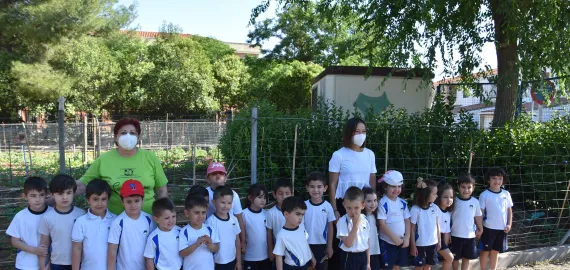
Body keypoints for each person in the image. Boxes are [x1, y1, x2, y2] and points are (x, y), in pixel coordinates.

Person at [77, 117, 168, 215]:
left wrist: (163, 215)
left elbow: (161, 190)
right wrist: (62, 190)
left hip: (148, 219)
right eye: (123, 133)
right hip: (114, 220)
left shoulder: (150, 157)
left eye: (132, 133)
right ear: (116, 137)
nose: (128, 136)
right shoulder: (104, 160)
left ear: (138, 137)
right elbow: (82, 185)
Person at [328, 117, 376, 270]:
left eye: (364, 131)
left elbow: (372, 181)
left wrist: (371, 204)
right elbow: (333, 183)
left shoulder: (369, 154)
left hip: (362, 205)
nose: (361, 135)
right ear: (349, 133)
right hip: (346, 206)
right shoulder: (339, 155)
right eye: (357, 131)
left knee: (363, 240)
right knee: (343, 244)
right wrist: (335, 209)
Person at [39, 174, 86, 270]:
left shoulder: (81, 215)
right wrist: (43, 265)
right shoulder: (47, 217)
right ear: (52, 195)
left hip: (79, 262)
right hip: (57, 263)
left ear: (73, 193)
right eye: (60, 194)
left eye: (68, 193)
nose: (65, 197)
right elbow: (44, 244)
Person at [107, 179, 156, 270]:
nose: (133, 205)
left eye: (137, 201)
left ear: (143, 199)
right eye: (129, 201)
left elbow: (153, 247)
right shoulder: (118, 222)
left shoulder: (149, 219)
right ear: (122, 201)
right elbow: (112, 251)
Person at [7, 176, 51, 270]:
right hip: (25, 265)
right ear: (25, 196)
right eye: (33, 196)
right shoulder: (20, 216)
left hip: (48, 264)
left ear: (47, 194)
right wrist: (35, 250)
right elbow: (14, 241)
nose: (38, 199)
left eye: (41, 195)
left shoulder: (53, 214)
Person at [71, 179, 116, 270]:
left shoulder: (115, 220)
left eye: (103, 199)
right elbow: (77, 249)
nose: (99, 203)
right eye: (95, 199)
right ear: (88, 199)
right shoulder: (81, 222)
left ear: (108, 199)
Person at [205, 162, 246, 249]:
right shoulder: (204, 194)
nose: (218, 175)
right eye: (214, 173)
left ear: (226, 178)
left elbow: (239, 218)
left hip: (229, 233)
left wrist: (243, 241)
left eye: (221, 173)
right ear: (208, 179)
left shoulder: (233, 195)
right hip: (210, 234)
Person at [478, 168, 513, 270]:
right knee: (485, 251)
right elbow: (480, 213)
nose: (497, 181)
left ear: (503, 180)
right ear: (488, 180)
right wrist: (480, 228)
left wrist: (509, 224)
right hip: (488, 228)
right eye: (494, 178)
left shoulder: (506, 194)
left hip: (501, 229)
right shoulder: (484, 195)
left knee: (495, 251)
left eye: (500, 178)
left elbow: (509, 210)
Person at [377, 170, 410, 270]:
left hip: (401, 241)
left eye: (399, 186)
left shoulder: (403, 203)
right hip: (387, 243)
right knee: (386, 267)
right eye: (393, 186)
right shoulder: (382, 203)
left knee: (397, 266)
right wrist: (394, 239)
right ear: (385, 186)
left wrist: (407, 237)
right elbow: (382, 224)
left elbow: (407, 221)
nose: (397, 189)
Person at [273, 196, 316, 270]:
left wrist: (312, 257)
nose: (301, 218)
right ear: (286, 214)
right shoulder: (282, 235)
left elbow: (305, 244)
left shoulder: (301, 227)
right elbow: (278, 256)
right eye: (298, 214)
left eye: (302, 214)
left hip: (305, 265)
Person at [303, 172, 335, 270]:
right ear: (307, 188)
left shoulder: (328, 206)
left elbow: (330, 227)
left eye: (319, 187)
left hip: (321, 245)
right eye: (312, 187)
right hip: (305, 244)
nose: (315, 190)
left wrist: (329, 246)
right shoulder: (303, 206)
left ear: (325, 188)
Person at [451, 173, 483, 270]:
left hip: (470, 235)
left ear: (473, 188)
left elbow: (478, 216)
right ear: (458, 187)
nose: (466, 190)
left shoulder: (475, 202)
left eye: (469, 187)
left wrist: (480, 228)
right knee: (455, 257)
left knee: (466, 257)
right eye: (463, 187)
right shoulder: (454, 201)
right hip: (455, 235)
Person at [179, 195, 220, 270]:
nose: (201, 216)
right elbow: (182, 253)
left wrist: (210, 244)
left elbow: (216, 249)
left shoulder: (210, 229)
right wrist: (196, 244)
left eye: (203, 212)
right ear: (187, 213)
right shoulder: (184, 232)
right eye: (197, 213)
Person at [206, 186, 242, 270]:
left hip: (232, 260)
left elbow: (237, 240)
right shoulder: (210, 222)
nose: (226, 206)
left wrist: (239, 261)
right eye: (222, 202)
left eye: (229, 203)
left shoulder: (234, 219)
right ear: (214, 202)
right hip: (217, 263)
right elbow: (209, 245)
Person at [409, 178, 441, 270]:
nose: (437, 196)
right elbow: (412, 229)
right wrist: (413, 245)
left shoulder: (435, 208)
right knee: (419, 266)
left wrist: (439, 240)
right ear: (426, 195)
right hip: (420, 244)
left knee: (428, 265)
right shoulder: (415, 210)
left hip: (433, 243)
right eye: (434, 194)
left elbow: (437, 225)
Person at [144, 197, 183, 270]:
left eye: (173, 216)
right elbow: (149, 258)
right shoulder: (153, 237)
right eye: (167, 218)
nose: (171, 220)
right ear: (156, 219)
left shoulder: (180, 232)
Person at [337, 186, 370, 270]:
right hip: (349, 256)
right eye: (349, 208)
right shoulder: (342, 221)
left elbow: (367, 242)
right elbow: (347, 244)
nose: (352, 212)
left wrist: (368, 263)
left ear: (363, 205)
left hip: (363, 256)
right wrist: (355, 226)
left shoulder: (365, 219)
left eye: (356, 208)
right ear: (344, 205)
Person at [242, 183, 271, 270]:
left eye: (265, 197)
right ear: (250, 198)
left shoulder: (267, 214)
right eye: (259, 197)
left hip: (265, 256)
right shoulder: (243, 214)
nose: (263, 200)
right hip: (249, 257)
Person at [266, 178, 294, 264]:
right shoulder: (271, 213)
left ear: (292, 194)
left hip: (294, 251)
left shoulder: (296, 211)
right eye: (280, 194)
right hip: (278, 252)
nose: (284, 197)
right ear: (274, 195)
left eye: (287, 194)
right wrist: (270, 250)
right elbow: (269, 233)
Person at [435, 181, 454, 270]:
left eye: (451, 197)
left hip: (443, 239)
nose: (449, 200)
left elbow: (447, 230)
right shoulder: (434, 210)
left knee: (449, 258)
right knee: (450, 258)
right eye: (445, 197)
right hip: (434, 238)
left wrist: (446, 244)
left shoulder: (449, 212)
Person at [362, 187, 381, 270]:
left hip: (375, 252)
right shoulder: (361, 218)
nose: (373, 204)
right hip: (364, 253)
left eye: (375, 200)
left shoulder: (376, 216)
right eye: (369, 201)